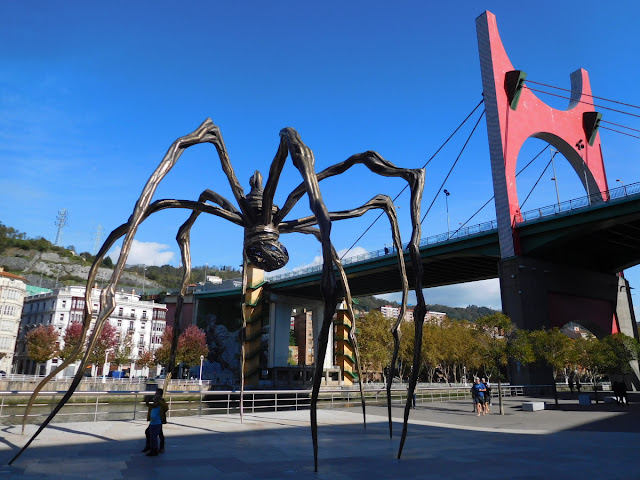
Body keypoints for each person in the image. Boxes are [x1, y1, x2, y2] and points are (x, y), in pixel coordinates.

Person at [142, 388, 168, 456]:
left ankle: (156, 449)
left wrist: (158, 399)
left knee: (157, 435)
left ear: (160, 395)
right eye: (155, 393)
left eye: (157, 394)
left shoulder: (161, 402)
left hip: (158, 422)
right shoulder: (155, 403)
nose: (155, 395)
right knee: (149, 432)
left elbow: (165, 408)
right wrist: (147, 401)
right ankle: (150, 447)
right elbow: (151, 406)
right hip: (153, 422)